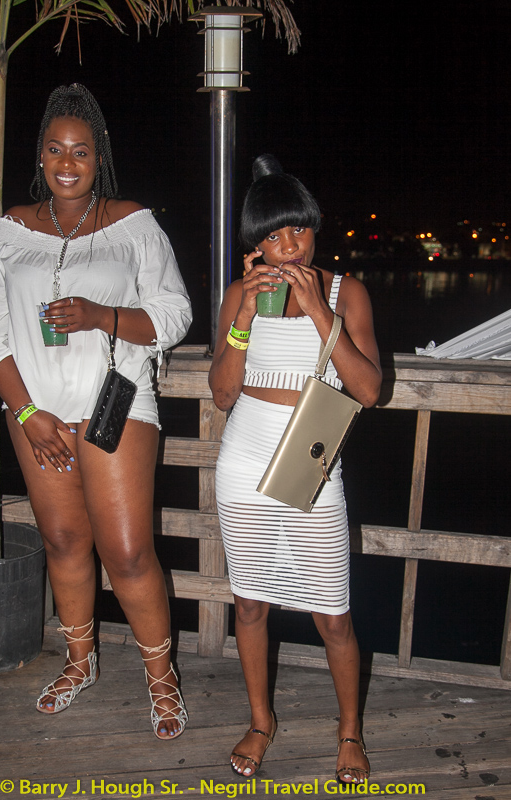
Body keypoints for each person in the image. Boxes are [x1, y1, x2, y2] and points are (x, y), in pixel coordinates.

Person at [0, 84, 192, 739]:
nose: (67, 162)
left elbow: (174, 314)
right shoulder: (11, 230)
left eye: (81, 151)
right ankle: (79, 663)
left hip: (114, 404)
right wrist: (26, 412)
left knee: (127, 552)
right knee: (64, 543)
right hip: (35, 411)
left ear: (100, 157)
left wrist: (101, 316)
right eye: (55, 149)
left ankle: (162, 679)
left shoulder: (132, 223)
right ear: (40, 155)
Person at [209, 155, 382, 780]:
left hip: (313, 467)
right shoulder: (240, 295)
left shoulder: (345, 293)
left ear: (315, 229)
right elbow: (222, 394)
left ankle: (350, 730)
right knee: (250, 605)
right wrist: (244, 316)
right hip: (243, 467)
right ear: (255, 245)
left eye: (299, 230)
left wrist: (318, 311)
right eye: (274, 236)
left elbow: (368, 391)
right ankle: (261, 722)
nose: (290, 246)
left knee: (333, 613)